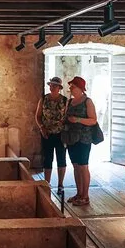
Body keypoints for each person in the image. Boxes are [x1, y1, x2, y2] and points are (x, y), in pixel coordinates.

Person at [63, 76, 97, 206]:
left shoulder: (88, 101)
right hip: (72, 138)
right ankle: (79, 193)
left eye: (73, 86)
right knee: (76, 166)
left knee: (83, 166)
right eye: (70, 86)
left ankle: (85, 196)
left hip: (84, 138)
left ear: (80, 88)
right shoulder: (70, 102)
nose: (71, 89)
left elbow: (93, 120)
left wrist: (77, 120)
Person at [35, 76, 68, 195]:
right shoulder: (44, 99)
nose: (52, 87)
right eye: (51, 85)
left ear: (59, 88)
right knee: (47, 158)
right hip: (47, 133)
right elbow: (38, 116)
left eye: (54, 85)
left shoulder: (65, 101)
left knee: (61, 158)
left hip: (60, 133)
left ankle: (60, 184)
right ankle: (47, 183)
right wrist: (41, 127)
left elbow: (67, 116)